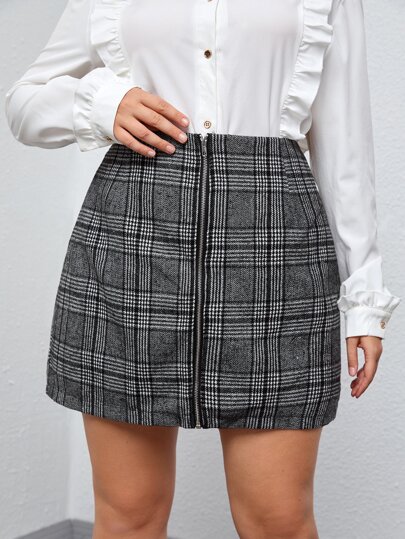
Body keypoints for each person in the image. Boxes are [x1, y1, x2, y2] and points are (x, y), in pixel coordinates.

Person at [5, 1, 401, 538]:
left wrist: (364, 296)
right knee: (128, 517)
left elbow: (345, 146)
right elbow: (24, 103)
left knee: (278, 520)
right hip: (134, 242)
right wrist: (104, 103)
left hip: (275, 245)